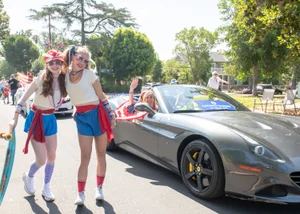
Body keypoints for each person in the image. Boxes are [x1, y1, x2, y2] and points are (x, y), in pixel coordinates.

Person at [62, 45, 115, 205]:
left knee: (101, 154)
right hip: (82, 118)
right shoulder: (64, 76)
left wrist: (111, 113)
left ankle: (99, 188)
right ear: (72, 56)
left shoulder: (90, 74)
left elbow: (101, 95)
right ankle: (80, 193)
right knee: (85, 156)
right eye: (80, 57)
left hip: (98, 115)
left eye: (86, 60)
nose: (82, 62)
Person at [11, 49, 67, 202]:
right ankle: (29, 177)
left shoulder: (64, 80)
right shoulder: (40, 79)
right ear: (47, 64)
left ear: (62, 63)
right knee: (41, 159)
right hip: (36, 119)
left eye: (58, 62)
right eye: (51, 62)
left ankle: (46, 186)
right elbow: (22, 100)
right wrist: (14, 119)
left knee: (52, 156)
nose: (55, 65)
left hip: (50, 119)